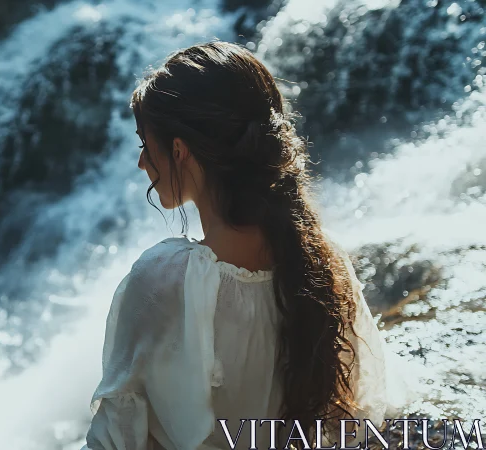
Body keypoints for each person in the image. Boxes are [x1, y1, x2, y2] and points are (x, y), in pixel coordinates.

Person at [81, 41, 394, 450]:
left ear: (178, 150)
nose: (142, 163)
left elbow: (115, 438)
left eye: (145, 144)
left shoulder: (167, 277)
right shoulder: (323, 258)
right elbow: (360, 408)